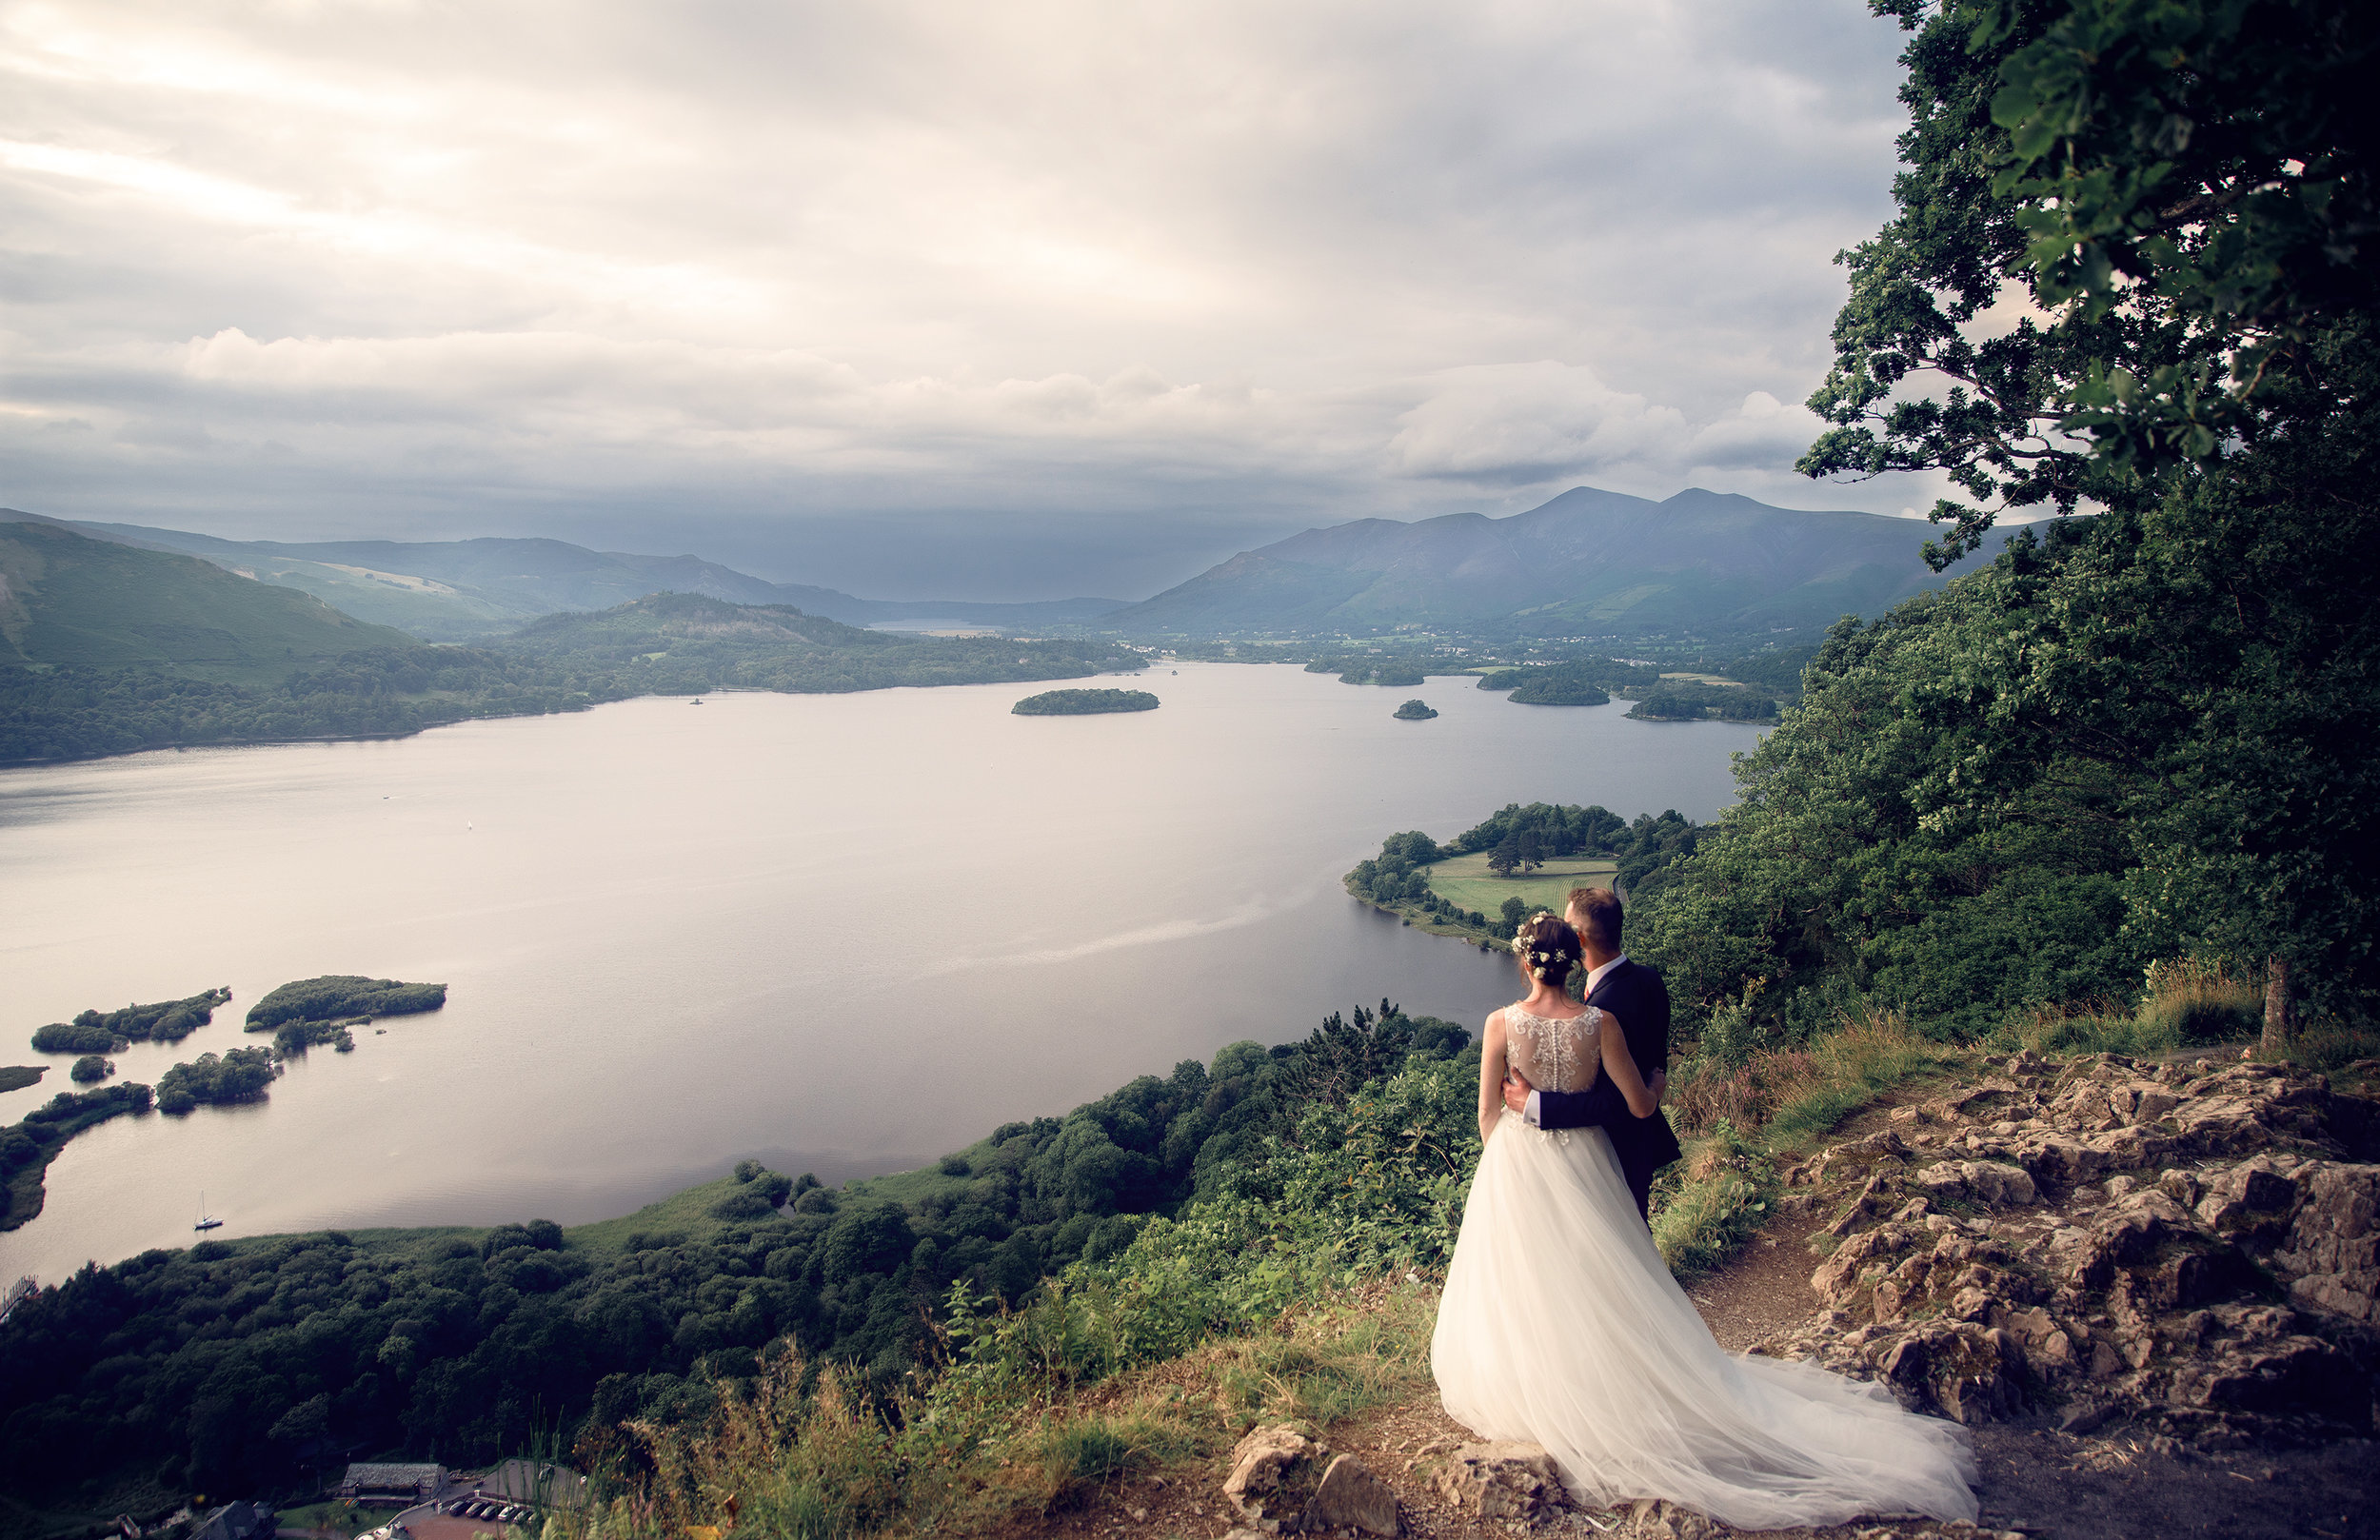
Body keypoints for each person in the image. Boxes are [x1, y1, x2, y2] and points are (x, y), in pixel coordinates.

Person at [1431, 912, 1979, 1528]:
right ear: (1569, 958)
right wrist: (1657, 1081)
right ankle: (1613, 1379)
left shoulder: (1501, 1024)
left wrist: (1511, 1155)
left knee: (1531, 1276)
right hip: (1591, 1162)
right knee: (1604, 1275)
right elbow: (1638, 1104)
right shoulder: (1599, 1022)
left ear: (1525, 961)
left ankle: (1542, 1381)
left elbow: (1487, 1116)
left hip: (1520, 1162)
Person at [1500, 887, 1681, 1222]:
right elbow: (1655, 1062)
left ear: (1579, 940)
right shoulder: (1649, 979)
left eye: (1567, 928)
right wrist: (1655, 1087)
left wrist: (1534, 1105)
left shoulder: (1601, 1013)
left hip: (1609, 1151)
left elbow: (1614, 1102)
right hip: (1640, 1146)